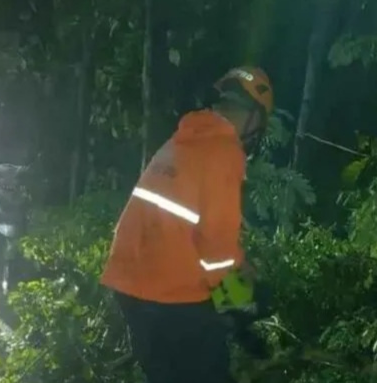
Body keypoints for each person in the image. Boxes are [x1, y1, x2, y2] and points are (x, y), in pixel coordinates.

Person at [100, 66, 274, 383]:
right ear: (253, 116)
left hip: (129, 284)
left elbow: (189, 233)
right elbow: (216, 252)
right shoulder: (225, 151)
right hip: (168, 294)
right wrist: (246, 288)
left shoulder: (183, 139)